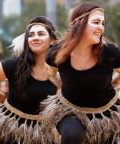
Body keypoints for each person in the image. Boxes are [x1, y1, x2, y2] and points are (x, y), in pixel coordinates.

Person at [0, 16, 58, 144]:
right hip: (9, 131)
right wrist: (0, 97)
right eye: (31, 35)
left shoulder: (61, 68)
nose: (35, 38)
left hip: (43, 134)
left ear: (52, 41)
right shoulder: (15, 64)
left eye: (41, 34)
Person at [42, 2, 120, 143]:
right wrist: (62, 85)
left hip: (106, 113)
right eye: (96, 22)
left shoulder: (110, 52)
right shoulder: (56, 53)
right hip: (69, 110)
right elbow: (50, 74)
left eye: (102, 23)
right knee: (72, 135)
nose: (101, 27)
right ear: (79, 23)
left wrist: (113, 83)